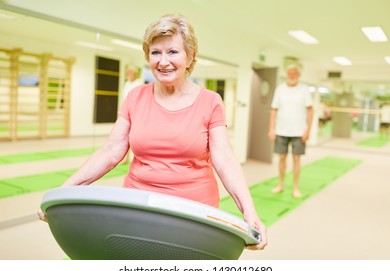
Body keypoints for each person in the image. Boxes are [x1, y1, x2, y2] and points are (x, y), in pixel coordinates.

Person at [38, 14, 267, 250]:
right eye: (155, 52)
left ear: (190, 57)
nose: (163, 61)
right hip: (139, 208)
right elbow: (111, 151)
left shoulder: (211, 101)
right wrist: (64, 190)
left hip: (193, 212)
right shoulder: (135, 97)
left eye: (173, 52)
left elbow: (225, 159)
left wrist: (249, 211)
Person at [268, 64, 313, 199]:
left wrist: (308, 130)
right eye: (290, 73)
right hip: (281, 130)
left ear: (298, 75)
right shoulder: (280, 89)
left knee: (296, 158)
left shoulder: (304, 89)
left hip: (299, 132)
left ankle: (295, 187)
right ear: (286, 74)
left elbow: (310, 110)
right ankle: (281, 184)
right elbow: (274, 110)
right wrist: (271, 128)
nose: (292, 75)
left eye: (295, 73)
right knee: (281, 158)